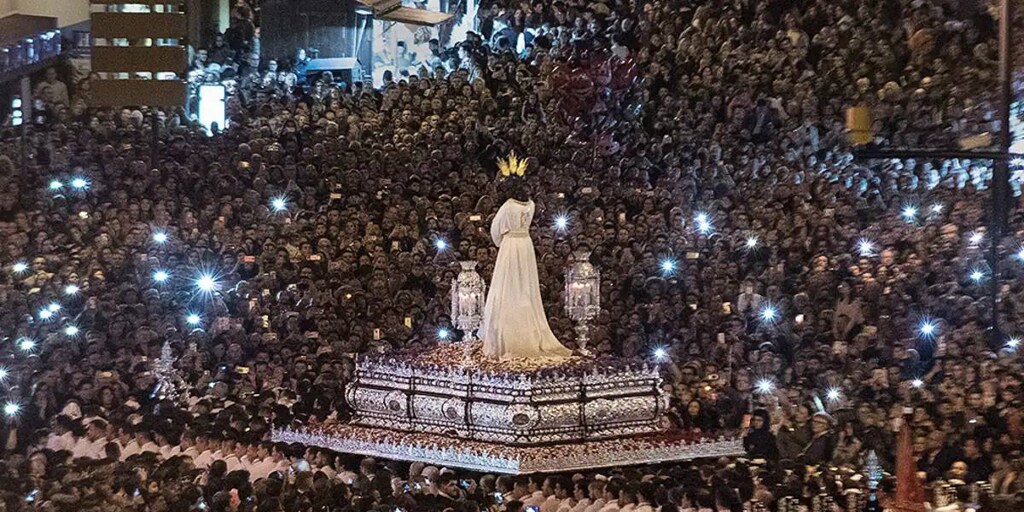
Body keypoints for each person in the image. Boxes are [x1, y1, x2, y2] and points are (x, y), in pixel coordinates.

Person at [481, 159, 571, 361]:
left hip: (511, 245)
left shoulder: (508, 206)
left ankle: (509, 339)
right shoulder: (531, 204)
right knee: (525, 288)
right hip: (526, 244)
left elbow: (495, 231)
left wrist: (502, 241)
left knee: (508, 287)